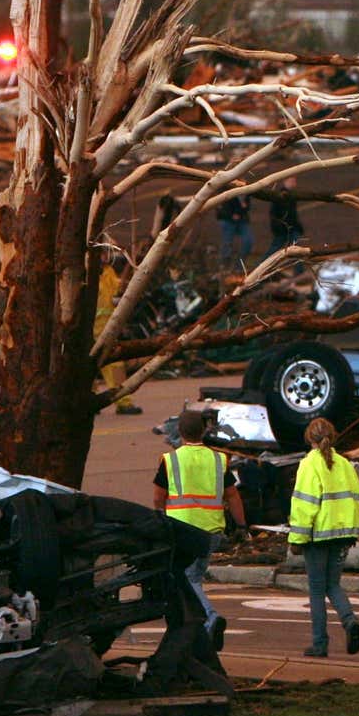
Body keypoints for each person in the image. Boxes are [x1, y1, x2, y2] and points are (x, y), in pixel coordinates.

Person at [154, 409, 246, 649]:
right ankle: (196, 631)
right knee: (193, 577)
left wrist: (160, 519)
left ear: (180, 432)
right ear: (204, 430)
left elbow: (158, 496)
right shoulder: (217, 459)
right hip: (211, 531)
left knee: (186, 577)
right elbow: (233, 495)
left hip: (182, 530)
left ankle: (209, 618)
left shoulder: (171, 460)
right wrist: (241, 526)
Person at [288, 417, 359, 658]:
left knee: (317, 590)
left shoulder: (308, 465)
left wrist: (297, 539)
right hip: (343, 536)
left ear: (308, 438)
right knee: (334, 584)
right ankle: (349, 620)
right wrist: (354, 529)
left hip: (317, 538)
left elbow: (304, 506)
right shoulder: (344, 464)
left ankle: (320, 644)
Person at [96, 250, 141, 415]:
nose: (106, 257)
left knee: (115, 367)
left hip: (106, 330)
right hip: (88, 330)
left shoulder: (107, 273)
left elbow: (117, 289)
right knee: (86, 369)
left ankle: (123, 401)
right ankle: (86, 400)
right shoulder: (86, 274)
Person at [267, 177, 304, 255]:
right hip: (283, 228)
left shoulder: (291, 195)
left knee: (295, 249)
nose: (294, 183)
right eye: (291, 181)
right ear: (285, 182)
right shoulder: (281, 195)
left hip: (291, 228)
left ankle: (299, 266)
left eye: (294, 181)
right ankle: (261, 264)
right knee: (275, 248)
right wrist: (278, 226)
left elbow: (292, 214)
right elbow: (274, 213)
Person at [216, 193, 253, 269]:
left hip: (242, 220)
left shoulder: (246, 191)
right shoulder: (226, 189)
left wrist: (242, 209)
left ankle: (239, 266)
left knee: (248, 241)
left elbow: (247, 206)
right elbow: (220, 207)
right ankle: (224, 267)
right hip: (227, 219)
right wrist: (231, 214)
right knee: (227, 244)